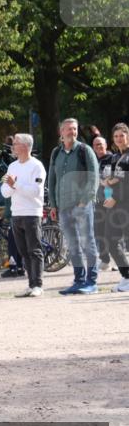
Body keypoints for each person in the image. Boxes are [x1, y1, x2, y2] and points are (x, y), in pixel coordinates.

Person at [47, 118, 100, 294]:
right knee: (72, 244)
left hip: (82, 205)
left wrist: (84, 201)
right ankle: (78, 280)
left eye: (75, 129)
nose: (72, 132)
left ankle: (91, 282)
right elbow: (52, 180)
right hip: (63, 207)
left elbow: (94, 178)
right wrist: (53, 205)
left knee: (87, 242)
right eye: (69, 129)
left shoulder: (85, 150)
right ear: (61, 132)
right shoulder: (56, 153)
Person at [0, 133, 47, 298]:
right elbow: (5, 191)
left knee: (34, 250)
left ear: (26, 146)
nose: (13, 146)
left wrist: (15, 184)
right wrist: (12, 186)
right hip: (16, 213)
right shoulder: (12, 166)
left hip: (32, 213)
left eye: (16, 143)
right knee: (23, 251)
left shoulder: (37, 166)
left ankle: (38, 285)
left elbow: (36, 191)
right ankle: (30, 283)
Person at [100, 123, 129, 292]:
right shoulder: (113, 157)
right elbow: (107, 179)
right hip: (114, 205)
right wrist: (109, 194)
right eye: (116, 136)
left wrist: (114, 184)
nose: (119, 139)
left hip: (125, 204)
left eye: (122, 135)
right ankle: (126, 277)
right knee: (111, 241)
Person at [92, 136, 117, 272]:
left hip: (112, 200)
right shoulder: (93, 160)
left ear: (106, 145)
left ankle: (120, 261)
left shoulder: (113, 159)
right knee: (99, 231)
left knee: (112, 232)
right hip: (98, 201)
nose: (98, 147)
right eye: (96, 145)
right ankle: (105, 260)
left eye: (100, 144)